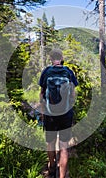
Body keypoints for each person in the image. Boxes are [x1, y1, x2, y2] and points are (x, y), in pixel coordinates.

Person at [39, 48, 78, 178]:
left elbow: (42, 94)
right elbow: (72, 94)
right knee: (64, 147)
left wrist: (43, 111)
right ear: (61, 59)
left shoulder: (46, 72)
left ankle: (51, 166)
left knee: (50, 143)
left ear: (51, 59)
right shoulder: (68, 72)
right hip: (66, 114)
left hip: (50, 114)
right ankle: (62, 176)